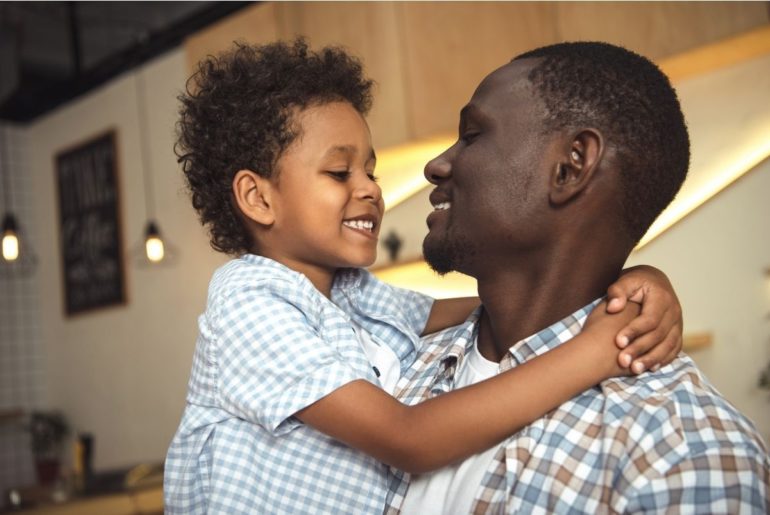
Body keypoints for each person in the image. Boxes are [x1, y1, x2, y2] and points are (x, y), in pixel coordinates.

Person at [163, 40, 684, 514]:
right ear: (258, 198)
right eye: (340, 173)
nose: (369, 189)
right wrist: (595, 350)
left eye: (371, 171)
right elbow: (408, 438)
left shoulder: (351, 295)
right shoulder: (248, 303)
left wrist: (630, 282)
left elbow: (478, 306)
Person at [386, 41, 770, 514]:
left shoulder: (686, 457)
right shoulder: (387, 361)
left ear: (570, 166)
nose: (436, 164)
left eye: (472, 135)